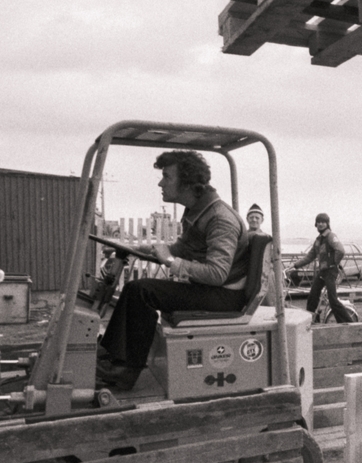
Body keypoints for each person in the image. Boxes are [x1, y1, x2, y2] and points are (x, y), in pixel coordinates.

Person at [96, 150, 251, 390]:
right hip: (213, 290)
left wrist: (170, 262)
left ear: (187, 182)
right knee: (135, 289)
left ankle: (126, 369)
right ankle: (113, 355)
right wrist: (143, 248)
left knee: (141, 292)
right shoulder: (198, 210)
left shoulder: (220, 219)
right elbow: (182, 248)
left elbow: (217, 273)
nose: (161, 182)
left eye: (167, 176)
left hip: (225, 295)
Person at [291, 213, 354, 323]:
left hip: (330, 272)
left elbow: (341, 250)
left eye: (323, 222)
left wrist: (333, 263)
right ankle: (314, 322)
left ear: (327, 223)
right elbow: (310, 256)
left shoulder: (330, 236)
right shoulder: (318, 240)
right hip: (322, 272)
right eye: (318, 222)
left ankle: (349, 323)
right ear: (316, 224)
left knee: (332, 300)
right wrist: (295, 265)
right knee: (312, 296)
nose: (320, 224)